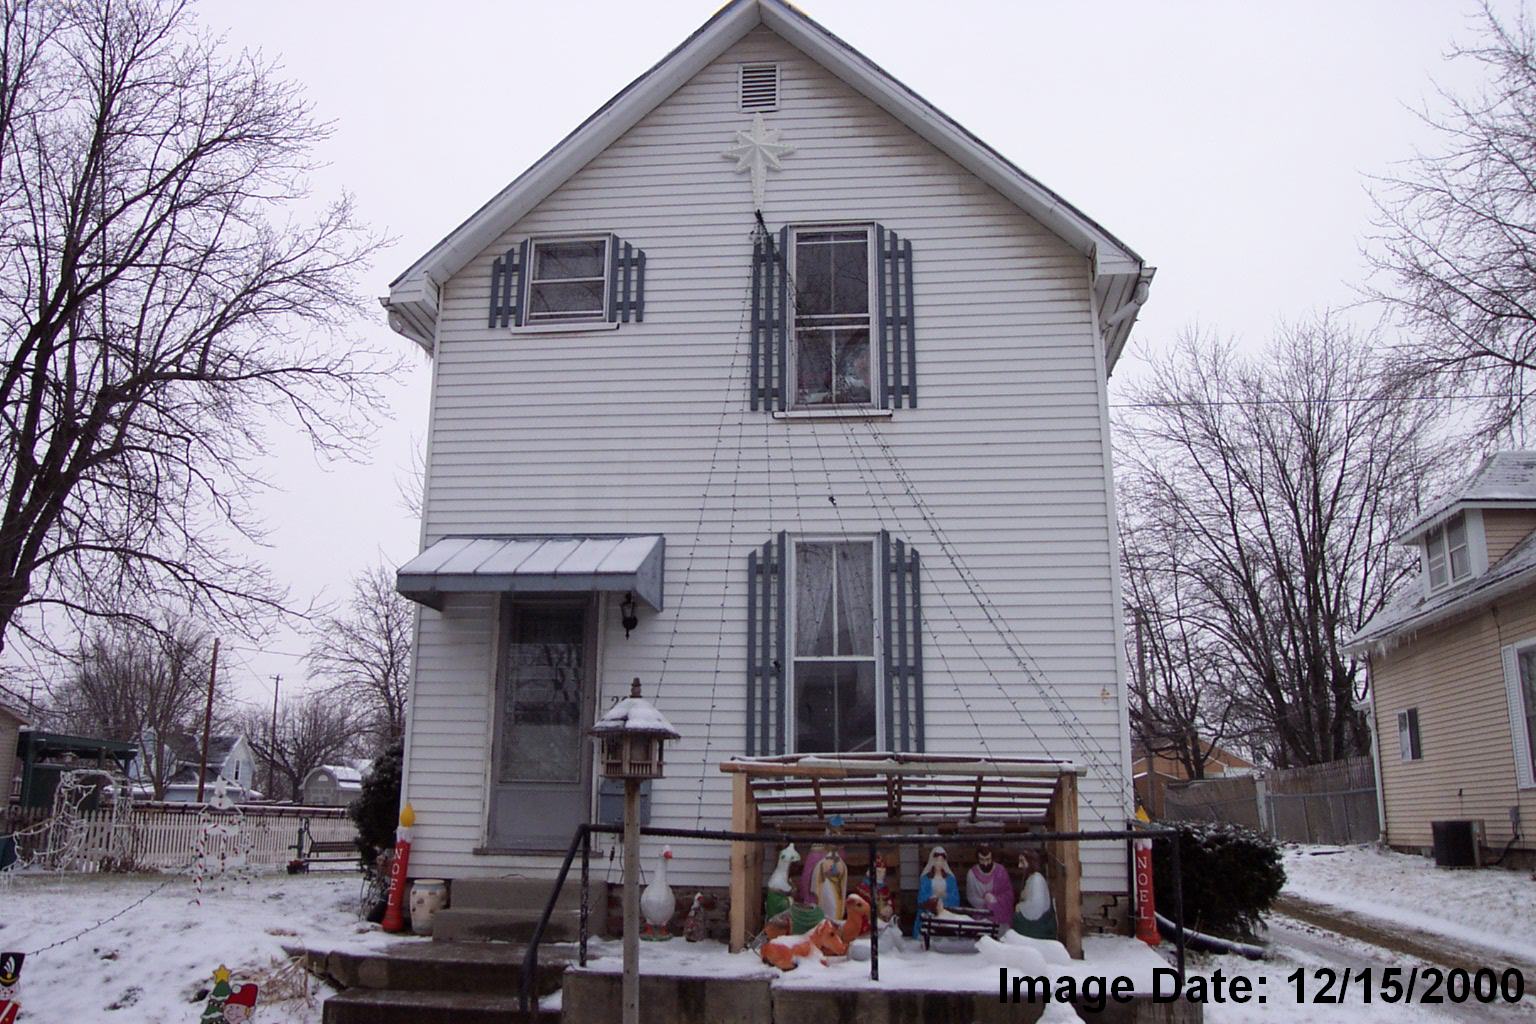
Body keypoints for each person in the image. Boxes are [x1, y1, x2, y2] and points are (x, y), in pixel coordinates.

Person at [911, 845, 960, 939]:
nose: (939, 863)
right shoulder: (925, 879)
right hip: (929, 912)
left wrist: (945, 898)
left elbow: (955, 898)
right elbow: (921, 898)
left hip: (946, 912)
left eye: (941, 860)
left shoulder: (950, 879)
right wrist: (933, 899)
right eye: (937, 860)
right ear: (932, 861)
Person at [965, 844, 1015, 929]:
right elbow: (971, 896)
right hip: (980, 914)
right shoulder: (971, 874)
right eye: (982, 860)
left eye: (988, 859)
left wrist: (994, 900)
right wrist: (986, 903)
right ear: (977, 859)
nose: (985, 863)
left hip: (1000, 914)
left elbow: (1009, 895)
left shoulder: (1000, 871)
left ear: (992, 858)